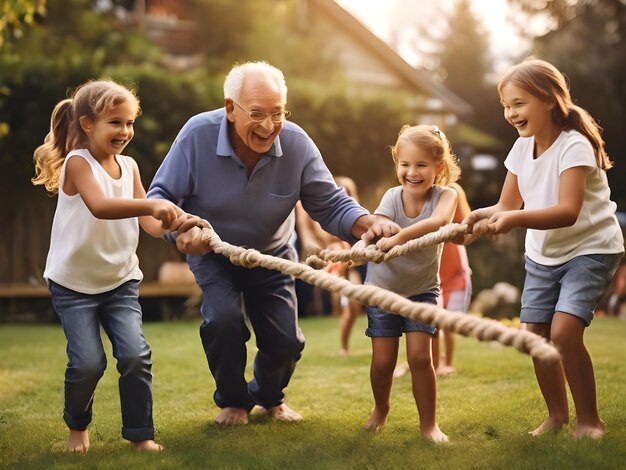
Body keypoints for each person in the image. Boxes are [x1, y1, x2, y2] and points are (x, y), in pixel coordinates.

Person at [146, 61, 399, 425]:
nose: (268, 126)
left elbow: (329, 202)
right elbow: (161, 198)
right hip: (214, 254)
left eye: (277, 113)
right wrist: (180, 233)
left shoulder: (296, 143)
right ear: (230, 109)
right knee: (224, 321)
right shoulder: (196, 135)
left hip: (273, 255)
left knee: (286, 342)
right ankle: (233, 401)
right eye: (257, 113)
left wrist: (366, 222)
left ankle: (268, 396)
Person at [32, 80, 199, 452]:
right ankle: (77, 429)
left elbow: (152, 226)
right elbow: (101, 207)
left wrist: (178, 221)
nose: (125, 132)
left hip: (120, 280)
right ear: (88, 124)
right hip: (73, 284)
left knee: (135, 355)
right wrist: (152, 205)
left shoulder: (130, 165)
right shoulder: (78, 163)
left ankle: (141, 436)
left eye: (129, 123)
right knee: (89, 363)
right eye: (115, 123)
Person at [464, 59, 624, 439]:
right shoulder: (521, 149)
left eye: (518, 103)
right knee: (534, 336)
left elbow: (568, 212)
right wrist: (476, 216)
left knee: (564, 333)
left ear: (549, 100)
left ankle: (589, 422)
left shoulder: (574, 145)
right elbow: (507, 205)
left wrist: (514, 221)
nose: (510, 113)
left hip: (590, 247)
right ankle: (556, 416)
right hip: (543, 254)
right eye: (506, 105)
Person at [363, 124, 461, 443]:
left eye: (421, 165)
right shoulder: (392, 196)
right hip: (382, 292)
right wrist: (374, 235)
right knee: (382, 362)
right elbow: (379, 224)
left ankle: (429, 425)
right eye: (405, 164)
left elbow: (440, 222)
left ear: (438, 166)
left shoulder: (447, 194)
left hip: (422, 291)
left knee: (420, 358)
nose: (412, 172)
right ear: (397, 164)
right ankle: (381, 408)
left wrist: (400, 237)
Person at [394, 181, 472, 378]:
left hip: (454, 272)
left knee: (448, 322)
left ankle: (448, 363)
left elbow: (469, 228)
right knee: (433, 322)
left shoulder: (452, 191)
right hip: (429, 273)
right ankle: (435, 365)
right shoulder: (411, 194)